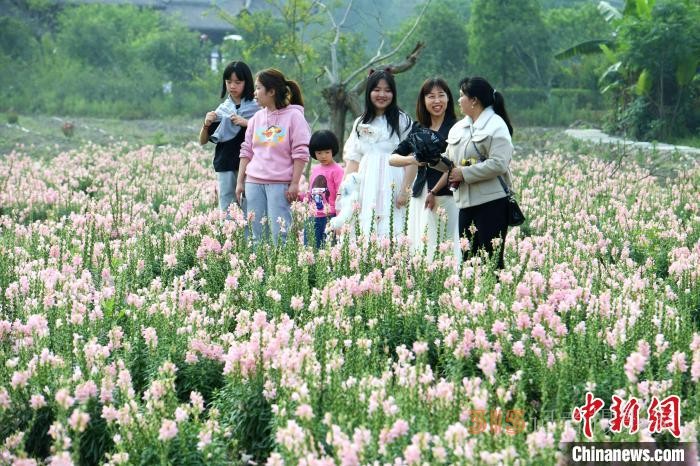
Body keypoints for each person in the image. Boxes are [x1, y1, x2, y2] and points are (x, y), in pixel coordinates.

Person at [442, 76, 514, 269]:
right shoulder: (459, 128)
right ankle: (472, 298)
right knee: (469, 261)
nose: (458, 100)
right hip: (465, 204)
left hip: (491, 204)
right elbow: (450, 161)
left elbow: (499, 164)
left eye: (461, 96)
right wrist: (429, 158)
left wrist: (464, 174)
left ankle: (496, 297)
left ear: (474, 100)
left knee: (491, 261)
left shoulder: (496, 125)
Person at [235, 68, 311, 244]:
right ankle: (258, 270)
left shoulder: (294, 117)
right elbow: (246, 151)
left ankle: (282, 270)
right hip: (254, 182)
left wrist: (294, 183)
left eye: (258, 88)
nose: (254, 93)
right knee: (256, 234)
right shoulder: (256, 118)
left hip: (280, 184)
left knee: (281, 233)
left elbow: (300, 153)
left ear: (271, 91)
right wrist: (240, 182)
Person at [389, 77, 459, 261]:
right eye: (430, 96)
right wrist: (412, 159)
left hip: (446, 195)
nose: (436, 101)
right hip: (421, 194)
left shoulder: (456, 128)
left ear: (449, 98)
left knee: (446, 244)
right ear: (423, 101)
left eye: (441, 95)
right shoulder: (418, 128)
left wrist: (434, 191)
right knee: (422, 245)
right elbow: (393, 158)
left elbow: (455, 165)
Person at [342, 69, 413, 238]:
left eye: (387, 90)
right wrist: (343, 194)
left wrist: (405, 190)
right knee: (365, 227)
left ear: (394, 93)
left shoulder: (402, 120)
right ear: (369, 92)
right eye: (377, 90)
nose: (382, 94)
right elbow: (353, 160)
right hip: (366, 184)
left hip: (394, 182)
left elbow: (411, 159)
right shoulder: (360, 122)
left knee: (394, 228)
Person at [199, 61, 260, 215]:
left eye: (237, 82)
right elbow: (203, 141)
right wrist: (206, 124)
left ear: (247, 83)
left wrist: (246, 123)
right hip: (225, 162)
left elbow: (266, 131)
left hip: (250, 163)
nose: (232, 86)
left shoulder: (257, 108)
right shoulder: (222, 110)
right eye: (229, 82)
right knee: (227, 205)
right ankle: (230, 236)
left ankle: (248, 238)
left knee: (249, 203)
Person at [306, 130, 344, 247]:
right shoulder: (315, 169)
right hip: (313, 216)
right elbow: (311, 191)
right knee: (310, 248)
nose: (323, 156)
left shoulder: (337, 170)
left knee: (327, 249)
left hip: (329, 216)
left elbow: (341, 196)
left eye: (327, 152)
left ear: (333, 150)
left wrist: (339, 220)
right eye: (319, 153)